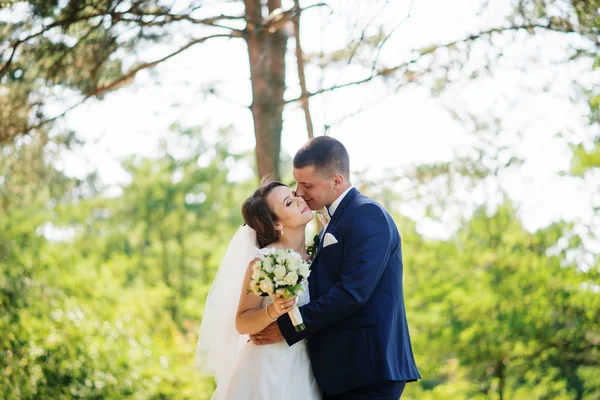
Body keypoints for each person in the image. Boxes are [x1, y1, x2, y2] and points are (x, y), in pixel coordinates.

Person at [250, 136, 421, 399]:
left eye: (307, 184)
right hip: (341, 372)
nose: (299, 192)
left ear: (337, 181)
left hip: (367, 369)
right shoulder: (332, 220)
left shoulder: (367, 215)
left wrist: (288, 327)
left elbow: (353, 292)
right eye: (297, 182)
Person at [195, 181, 321, 399]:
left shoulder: (317, 255)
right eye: (289, 202)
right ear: (277, 224)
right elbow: (242, 322)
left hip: (309, 365)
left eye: (293, 194)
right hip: (270, 367)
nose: (300, 199)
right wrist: (273, 310)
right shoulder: (264, 262)